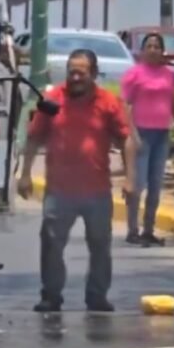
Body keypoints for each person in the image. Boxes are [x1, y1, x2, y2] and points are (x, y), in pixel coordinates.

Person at [17, 49, 136, 313]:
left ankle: (97, 297)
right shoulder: (52, 100)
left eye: (81, 72)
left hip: (97, 190)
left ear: (93, 74)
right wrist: (25, 174)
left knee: (100, 246)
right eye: (72, 71)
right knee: (51, 244)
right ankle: (50, 296)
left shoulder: (108, 102)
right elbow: (34, 137)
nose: (75, 77)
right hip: (59, 191)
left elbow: (126, 138)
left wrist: (130, 178)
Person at [120, 33, 174, 247]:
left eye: (157, 46)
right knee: (137, 184)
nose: (153, 50)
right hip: (141, 134)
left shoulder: (168, 75)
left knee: (156, 185)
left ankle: (149, 229)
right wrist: (133, 134)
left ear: (162, 50)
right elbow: (126, 106)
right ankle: (132, 230)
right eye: (148, 46)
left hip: (162, 135)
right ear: (142, 50)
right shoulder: (134, 74)